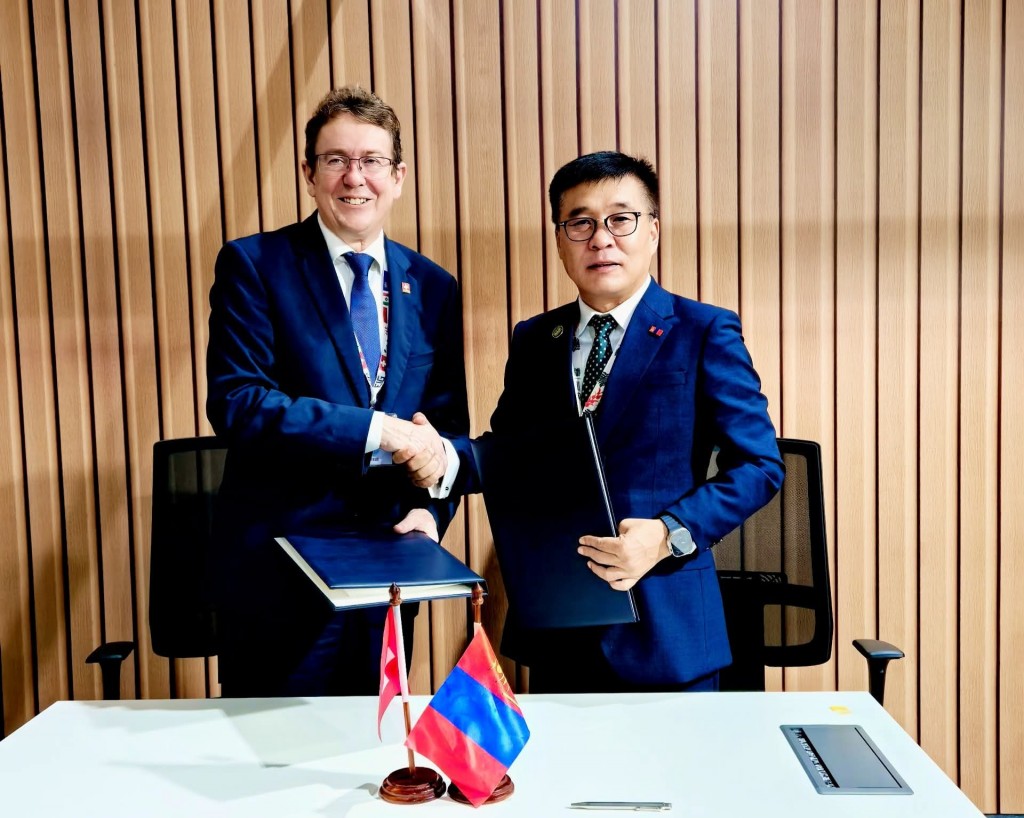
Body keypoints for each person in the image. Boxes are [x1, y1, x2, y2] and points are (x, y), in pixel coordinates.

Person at [454, 151, 784, 692]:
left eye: (620, 219)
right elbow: (508, 457)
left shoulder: (702, 331)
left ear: (652, 230)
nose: (601, 239)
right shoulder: (535, 339)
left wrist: (668, 534)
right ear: (560, 240)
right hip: (560, 621)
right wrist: (439, 457)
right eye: (580, 223)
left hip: (666, 629)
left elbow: (759, 466)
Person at [206, 86, 468, 697]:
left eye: (373, 160)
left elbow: (445, 430)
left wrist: (431, 513)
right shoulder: (255, 264)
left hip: (391, 569)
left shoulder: (433, 286)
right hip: (280, 572)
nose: (355, 177)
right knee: (276, 744)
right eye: (336, 160)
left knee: (376, 741)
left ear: (398, 177)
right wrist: (376, 430)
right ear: (309, 174)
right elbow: (238, 402)